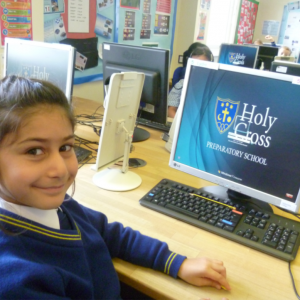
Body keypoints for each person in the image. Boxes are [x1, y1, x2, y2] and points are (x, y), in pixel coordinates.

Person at [0, 75, 231, 299]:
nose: (59, 170)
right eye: (34, 151)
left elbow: (111, 233)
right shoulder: (17, 281)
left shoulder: (61, 207)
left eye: (65, 147)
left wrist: (176, 263)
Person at [168, 46, 214, 118]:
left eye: (202, 65)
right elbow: (171, 110)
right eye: (194, 65)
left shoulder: (215, 88)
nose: (198, 69)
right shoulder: (182, 84)